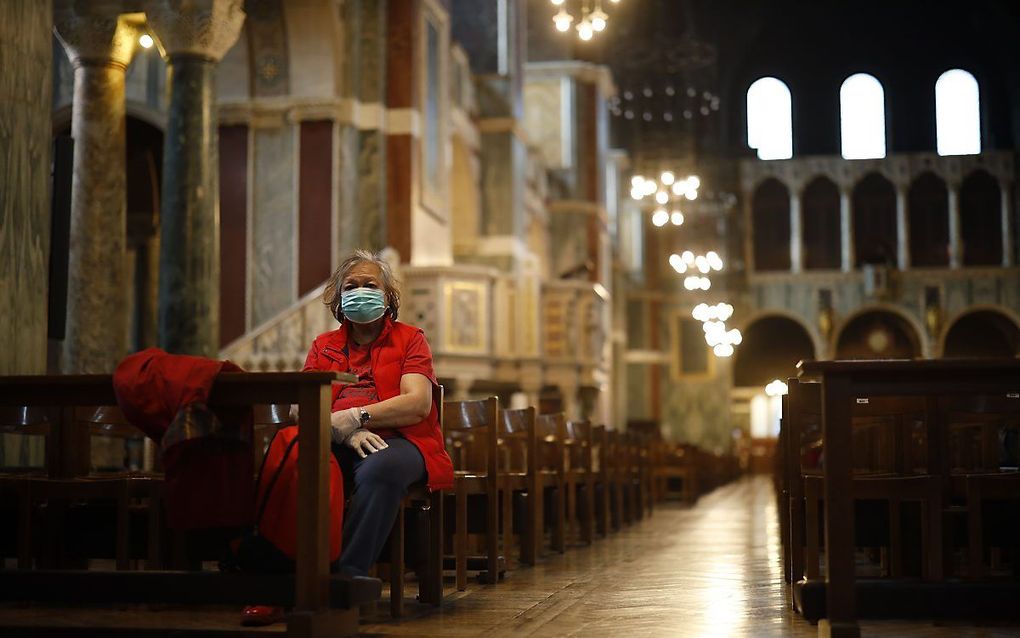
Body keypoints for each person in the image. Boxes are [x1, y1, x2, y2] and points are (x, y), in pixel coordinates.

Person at [302, 249, 454, 577]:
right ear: (338, 299)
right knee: (301, 465)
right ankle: (293, 572)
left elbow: (417, 404)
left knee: (380, 470)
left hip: (403, 439)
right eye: (350, 286)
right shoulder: (322, 345)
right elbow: (307, 402)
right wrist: (346, 430)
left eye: (369, 284)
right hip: (338, 438)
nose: (359, 291)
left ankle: (347, 575)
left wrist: (357, 416)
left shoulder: (410, 339)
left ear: (387, 296)